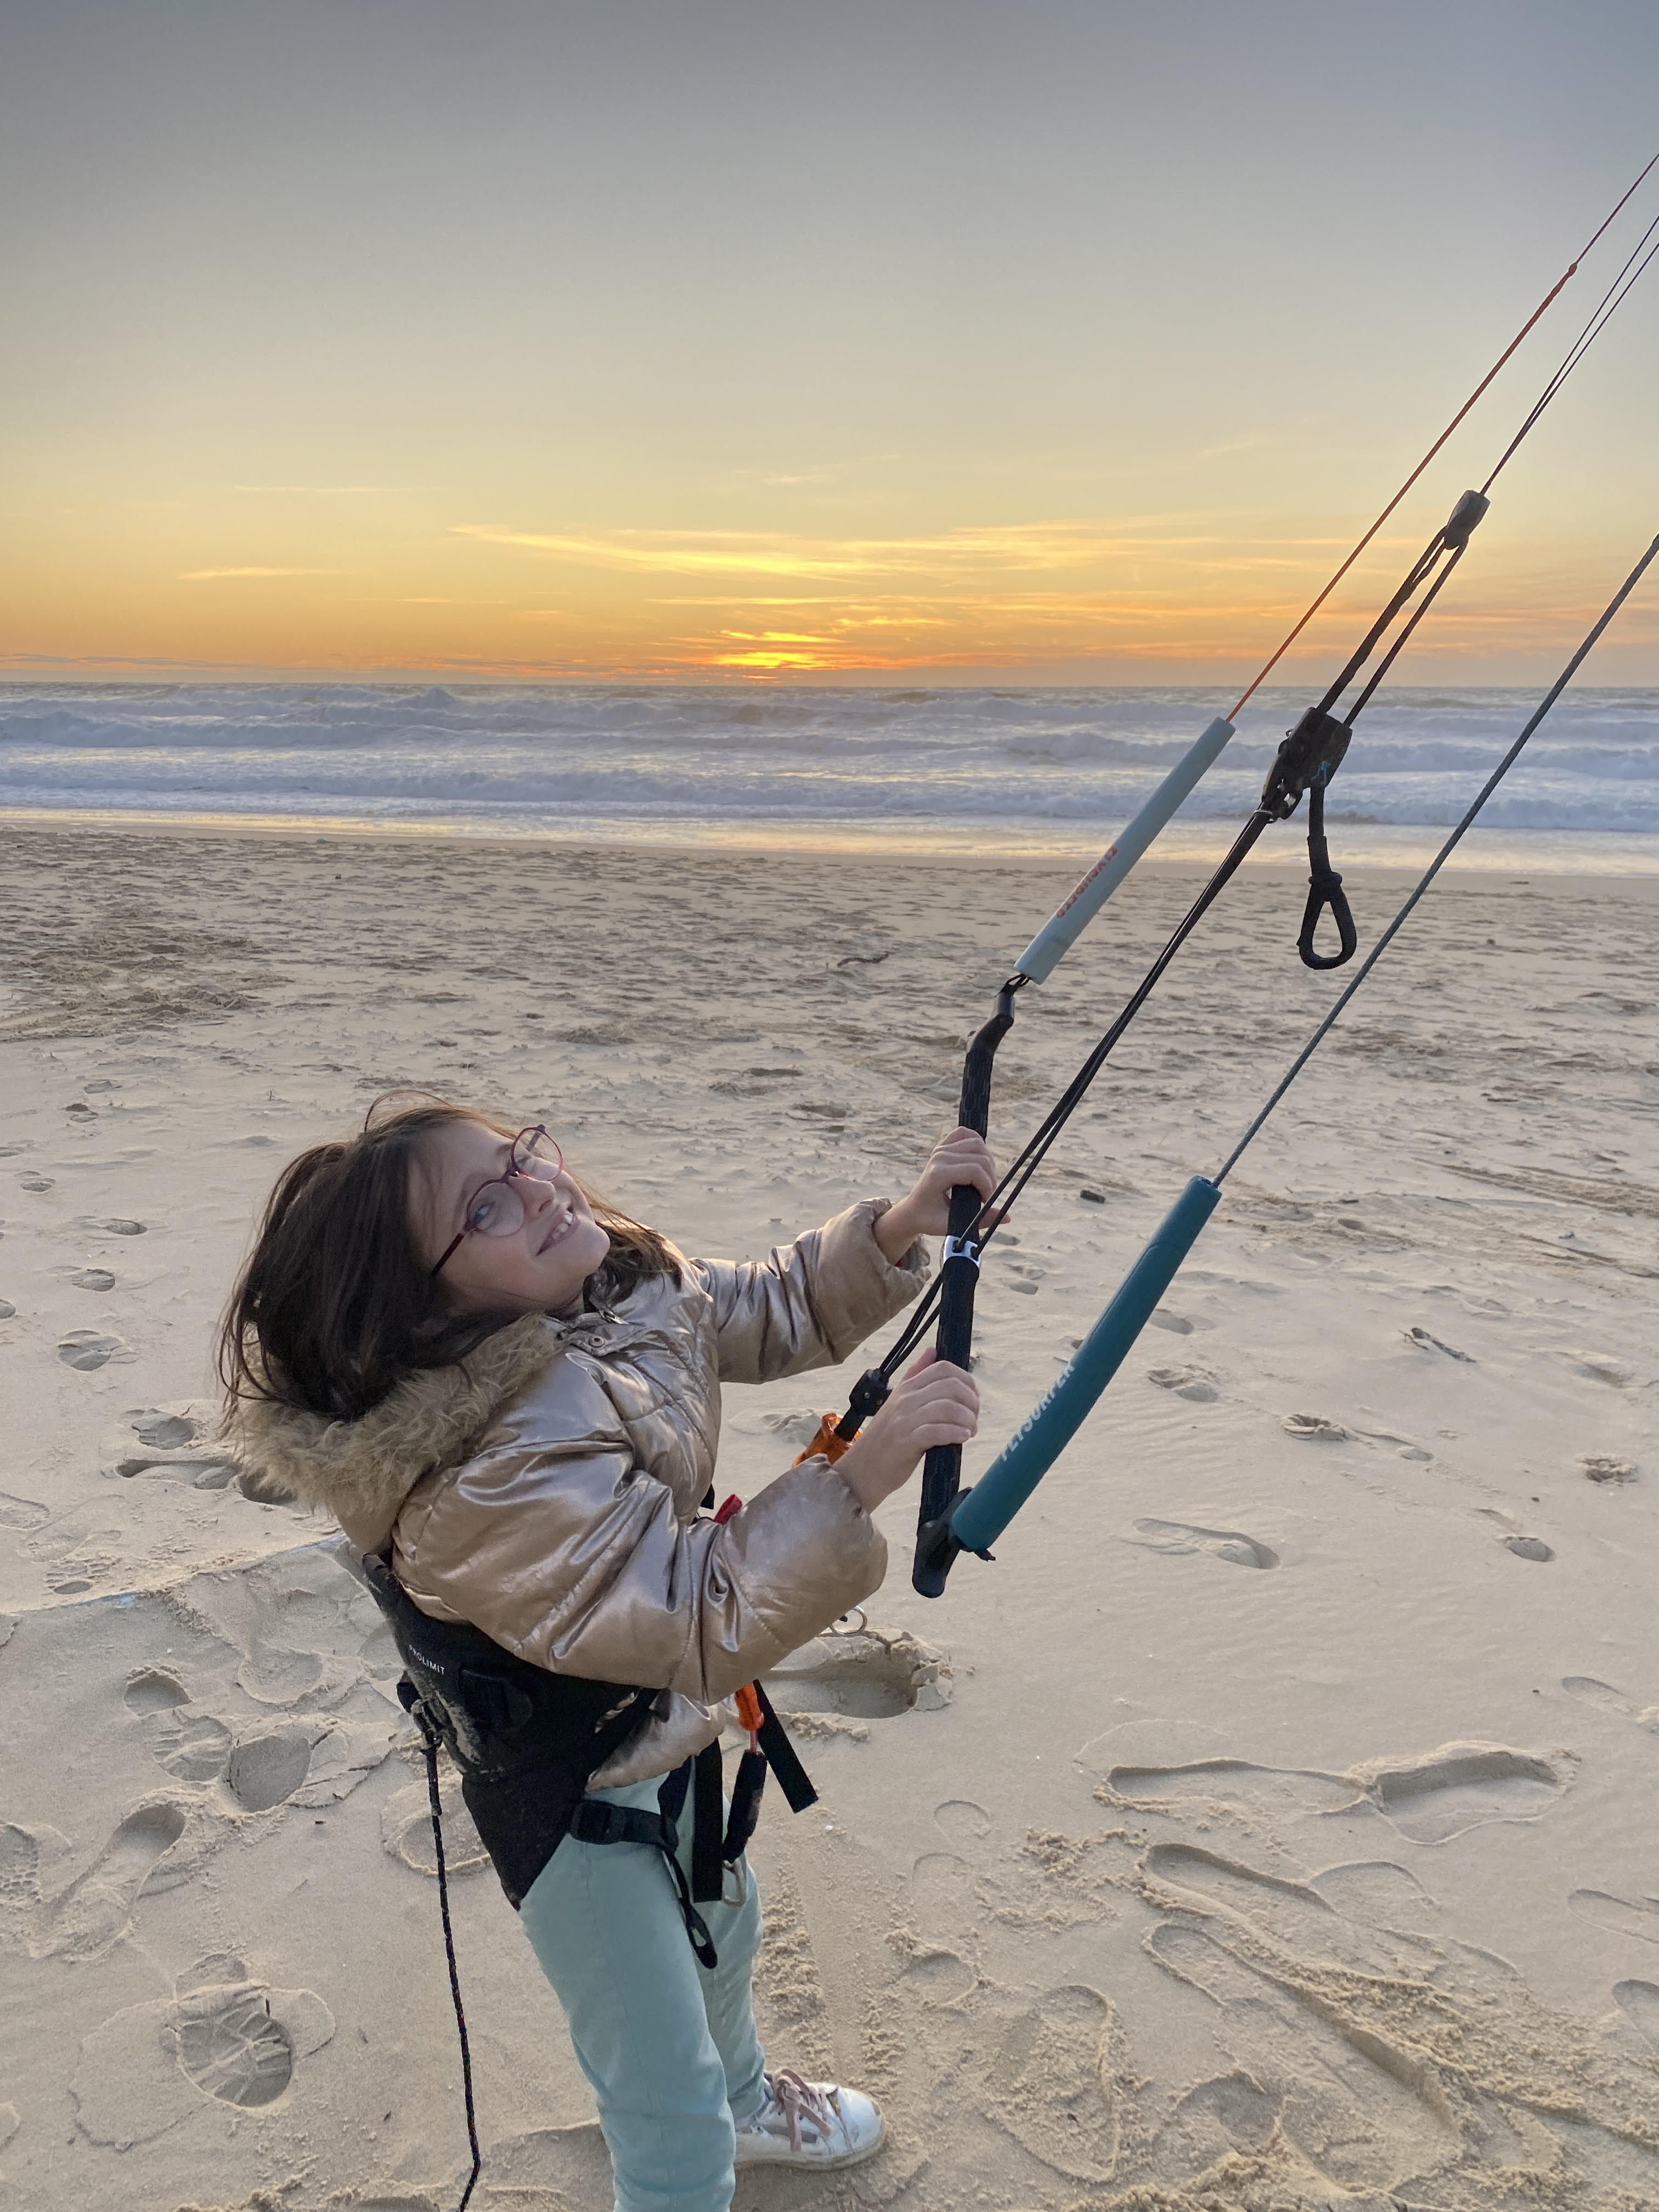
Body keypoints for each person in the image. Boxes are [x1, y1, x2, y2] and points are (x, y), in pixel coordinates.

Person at [221, 1093, 989, 2212]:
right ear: (423, 1318)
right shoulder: (481, 1474)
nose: (538, 1185)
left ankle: (744, 2102)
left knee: (727, 1919)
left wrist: (898, 1227)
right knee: (660, 2097)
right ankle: (699, 2130)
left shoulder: (615, 1286)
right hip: (565, 1798)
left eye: (521, 1153)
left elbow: (759, 1305)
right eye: (487, 1206)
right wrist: (860, 1476)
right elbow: (690, 1615)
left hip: (659, 1732)